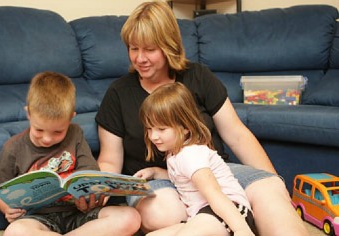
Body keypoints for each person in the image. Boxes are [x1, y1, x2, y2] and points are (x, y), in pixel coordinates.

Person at [95, 1, 308, 235]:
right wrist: (94, 189)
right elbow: (110, 159)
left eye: (150, 49)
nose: (140, 58)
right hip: (159, 180)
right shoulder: (118, 93)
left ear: (169, 46)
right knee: (164, 213)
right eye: (134, 49)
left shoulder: (198, 76)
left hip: (215, 170)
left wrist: (272, 177)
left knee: (270, 190)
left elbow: (237, 135)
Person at [0, 71, 141, 236]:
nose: (47, 139)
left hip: (79, 215)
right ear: (28, 113)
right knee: (15, 232)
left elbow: (90, 173)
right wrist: (8, 209)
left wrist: (89, 196)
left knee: (130, 217)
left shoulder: (75, 134)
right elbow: (1, 195)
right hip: (39, 220)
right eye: (39, 130)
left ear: (71, 118)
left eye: (58, 132)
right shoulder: (13, 148)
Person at [136, 82, 256, 236]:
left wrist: (241, 230)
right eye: (149, 128)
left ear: (185, 127)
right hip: (203, 216)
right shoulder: (175, 152)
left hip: (229, 213)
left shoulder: (190, 155)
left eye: (161, 129)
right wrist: (155, 172)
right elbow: (183, 177)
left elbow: (214, 193)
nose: (153, 136)